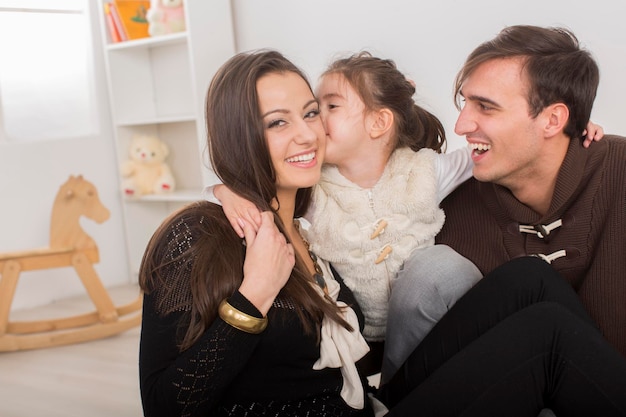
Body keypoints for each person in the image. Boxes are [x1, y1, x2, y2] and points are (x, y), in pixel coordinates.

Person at [138, 49, 626, 417]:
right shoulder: (199, 235)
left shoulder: (305, 224)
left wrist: (565, 138)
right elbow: (163, 405)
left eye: (312, 113)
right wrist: (252, 298)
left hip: (374, 400)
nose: (308, 133)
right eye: (277, 123)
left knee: (527, 280)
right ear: (239, 134)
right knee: (547, 338)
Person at [435, 24, 626, 358]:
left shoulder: (619, 170)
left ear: (553, 120)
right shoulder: (451, 211)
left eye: (486, 106)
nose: (461, 126)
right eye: (465, 103)